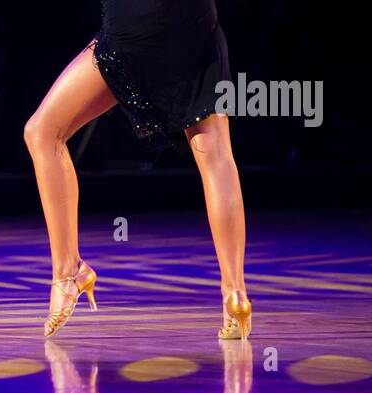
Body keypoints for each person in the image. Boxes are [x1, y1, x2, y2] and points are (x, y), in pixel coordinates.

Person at [23, 0, 251, 339]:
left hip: (136, 28)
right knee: (216, 154)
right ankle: (235, 292)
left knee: (43, 133)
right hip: (196, 27)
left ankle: (67, 271)